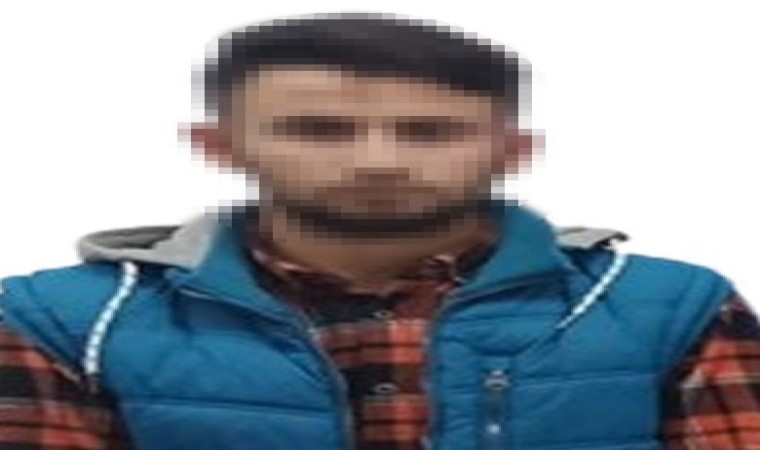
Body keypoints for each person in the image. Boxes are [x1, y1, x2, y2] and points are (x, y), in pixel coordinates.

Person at [1, 12, 758, 450]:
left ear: (514, 150)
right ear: (220, 145)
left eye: (432, 131)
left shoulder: (670, 307)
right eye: (317, 129)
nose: (378, 160)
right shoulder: (64, 321)